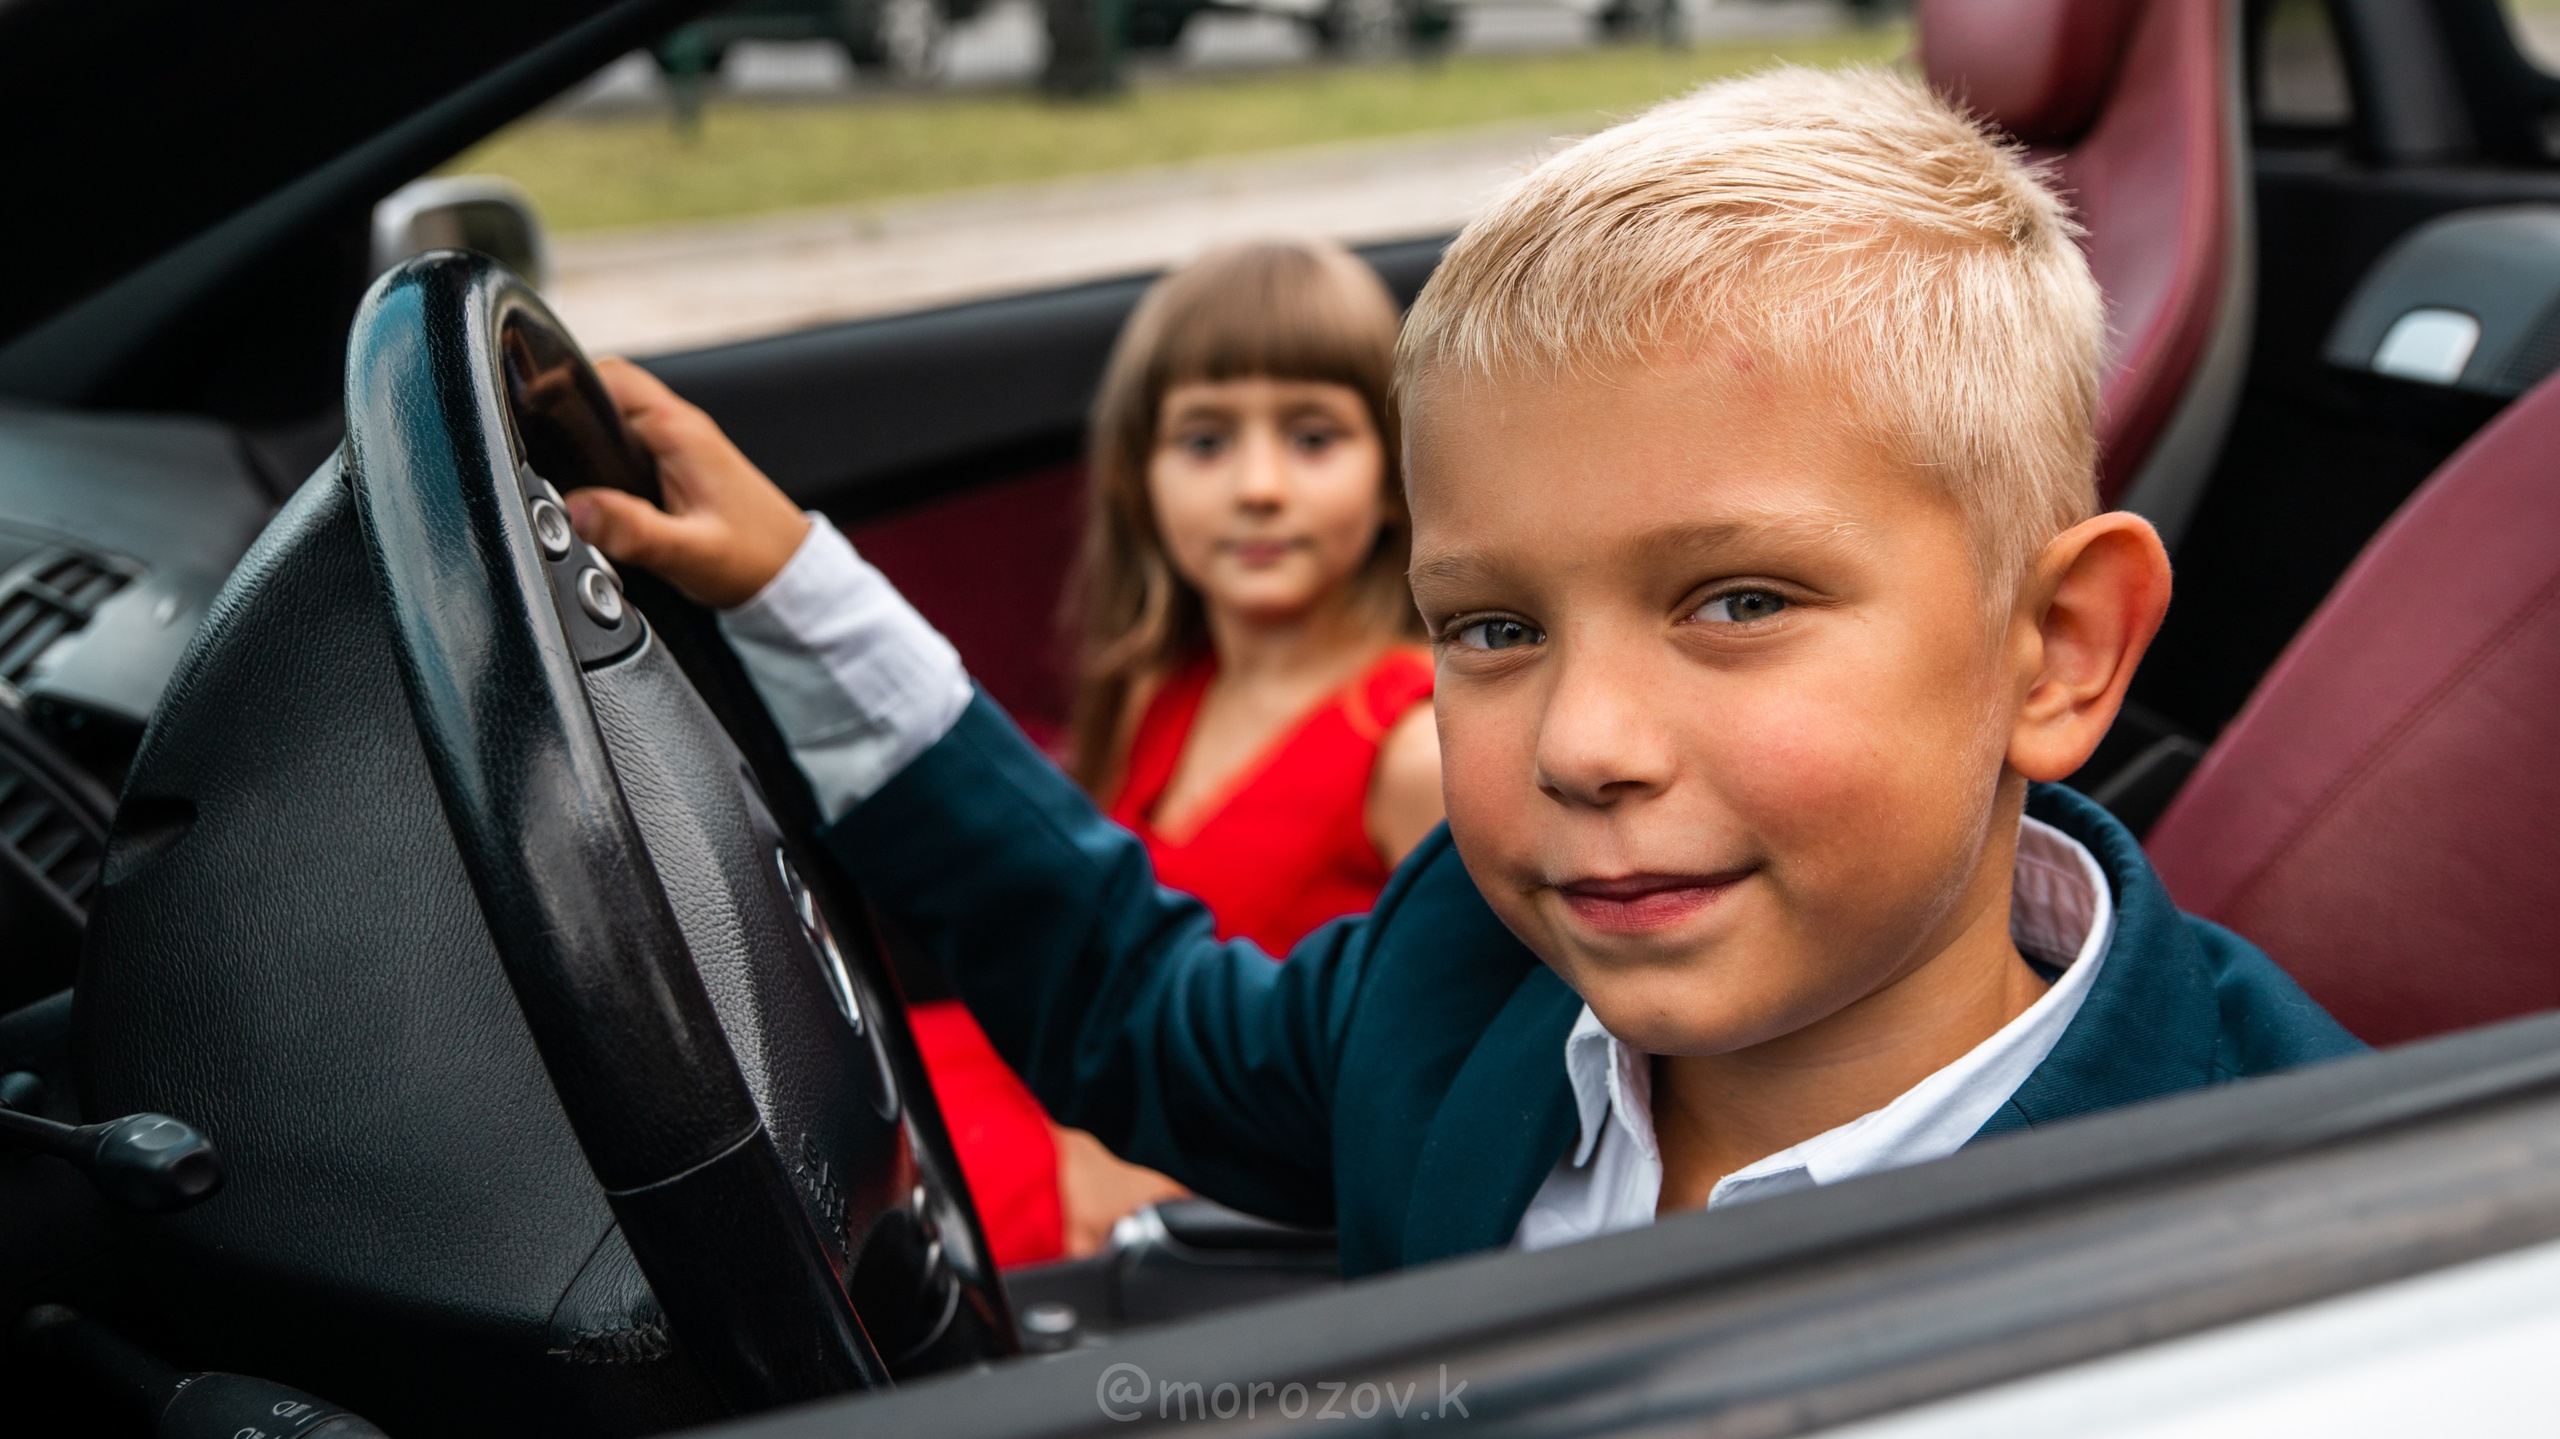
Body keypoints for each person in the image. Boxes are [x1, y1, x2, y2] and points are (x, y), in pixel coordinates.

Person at [565, 66, 2363, 1277]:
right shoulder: (1463, 972)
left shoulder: (2316, 1223)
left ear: (2054, 653)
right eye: (1492, 629)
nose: (1580, 742)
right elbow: (1130, 1004)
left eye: (1735, 599)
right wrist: (803, 591)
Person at [582, 240, 1440, 1266]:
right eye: (1206, 442)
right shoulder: (1168, 688)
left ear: (1396, 475)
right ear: (1137, 477)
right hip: (1069, 1076)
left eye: (1312, 438)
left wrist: (1122, 1136)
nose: (1258, 485)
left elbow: (1428, 1060)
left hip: (1203, 1158)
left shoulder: (1412, 746)